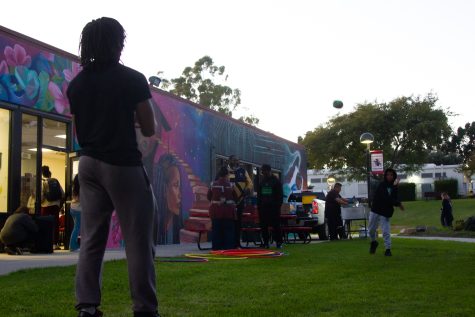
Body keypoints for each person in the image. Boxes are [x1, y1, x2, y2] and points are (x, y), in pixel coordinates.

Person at [67, 17, 159, 317]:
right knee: (138, 241)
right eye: (121, 40)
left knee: (92, 238)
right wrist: (129, 118)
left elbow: (80, 133)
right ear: (117, 43)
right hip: (122, 165)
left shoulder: (77, 85)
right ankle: (144, 309)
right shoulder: (132, 79)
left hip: (89, 165)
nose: (123, 44)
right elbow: (148, 128)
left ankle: (87, 307)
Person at [368, 168, 404, 257]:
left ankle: (388, 249)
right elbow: (387, 198)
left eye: (391, 175)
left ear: (394, 176)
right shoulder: (382, 185)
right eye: (388, 175)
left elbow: (394, 198)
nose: (389, 176)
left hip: (385, 212)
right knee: (371, 230)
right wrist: (398, 204)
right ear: (385, 176)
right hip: (376, 209)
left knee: (386, 231)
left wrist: (395, 190)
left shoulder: (394, 186)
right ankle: (373, 242)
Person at [153, 154, 183, 245]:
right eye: (175, 185)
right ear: (163, 190)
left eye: (179, 186)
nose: (180, 195)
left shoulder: (177, 226)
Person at [207, 166, 237, 250]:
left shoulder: (213, 184)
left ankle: (216, 249)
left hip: (216, 212)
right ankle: (228, 249)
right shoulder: (231, 185)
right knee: (229, 232)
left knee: (216, 231)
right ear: (227, 175)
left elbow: (209, 196)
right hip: (228, 213)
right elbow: (236, 197)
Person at [227, 155, 253, 247]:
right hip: (228, 203)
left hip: (240, 201)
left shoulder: (243, 171)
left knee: (238, 223)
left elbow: (250, 183)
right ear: (229, 161)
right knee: (229, 223)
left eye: (237, 160)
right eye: (234, 160)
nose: (236, 162)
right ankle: (229, 243)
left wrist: (248, 189)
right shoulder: (224, 171)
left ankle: (237, 243)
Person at [257, 164, 284, 249]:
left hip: (274, 208)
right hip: (264, 208)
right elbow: (259, 195)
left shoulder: (276, 181)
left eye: (263, 171)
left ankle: (279, 242)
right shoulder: (262, 182)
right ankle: (266, 242)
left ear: (268, 171)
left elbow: (280, 196)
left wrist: (277, 206)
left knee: (276, 226)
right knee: (264, 226)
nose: (262, 173)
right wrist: (259, 206)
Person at [40, 165, 64, 249]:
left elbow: (41, 196)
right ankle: (55, 244)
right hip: (55, 206)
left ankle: (45, 242)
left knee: (44, 224)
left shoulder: (43, 182)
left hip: (45, 206)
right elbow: (62, 194)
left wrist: (40, 202)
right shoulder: (55, 181)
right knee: (55, 224)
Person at [69, 174, 81, 251]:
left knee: (76, 227)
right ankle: (73, 246)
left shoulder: (75, 188)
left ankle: (73, 245)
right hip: (79, 210)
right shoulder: (82, 187)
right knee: (77, 228)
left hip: (73, 208)